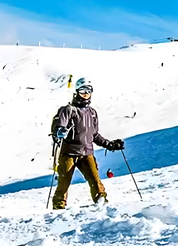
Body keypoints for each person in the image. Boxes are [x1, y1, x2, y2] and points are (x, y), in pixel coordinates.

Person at [50, 78, 124, 209]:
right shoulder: (68, 110)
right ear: (77, 91)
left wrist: (110, 145)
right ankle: (58, 208)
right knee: (63, 183)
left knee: (96, 182)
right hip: (69, 154)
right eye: (82, 90)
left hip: (86, 154)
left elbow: (94, 135)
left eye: (88, 91)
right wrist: (60, 132)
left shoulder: (92, 113)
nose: (85, 94)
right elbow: (59, 127)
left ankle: (102, 204)